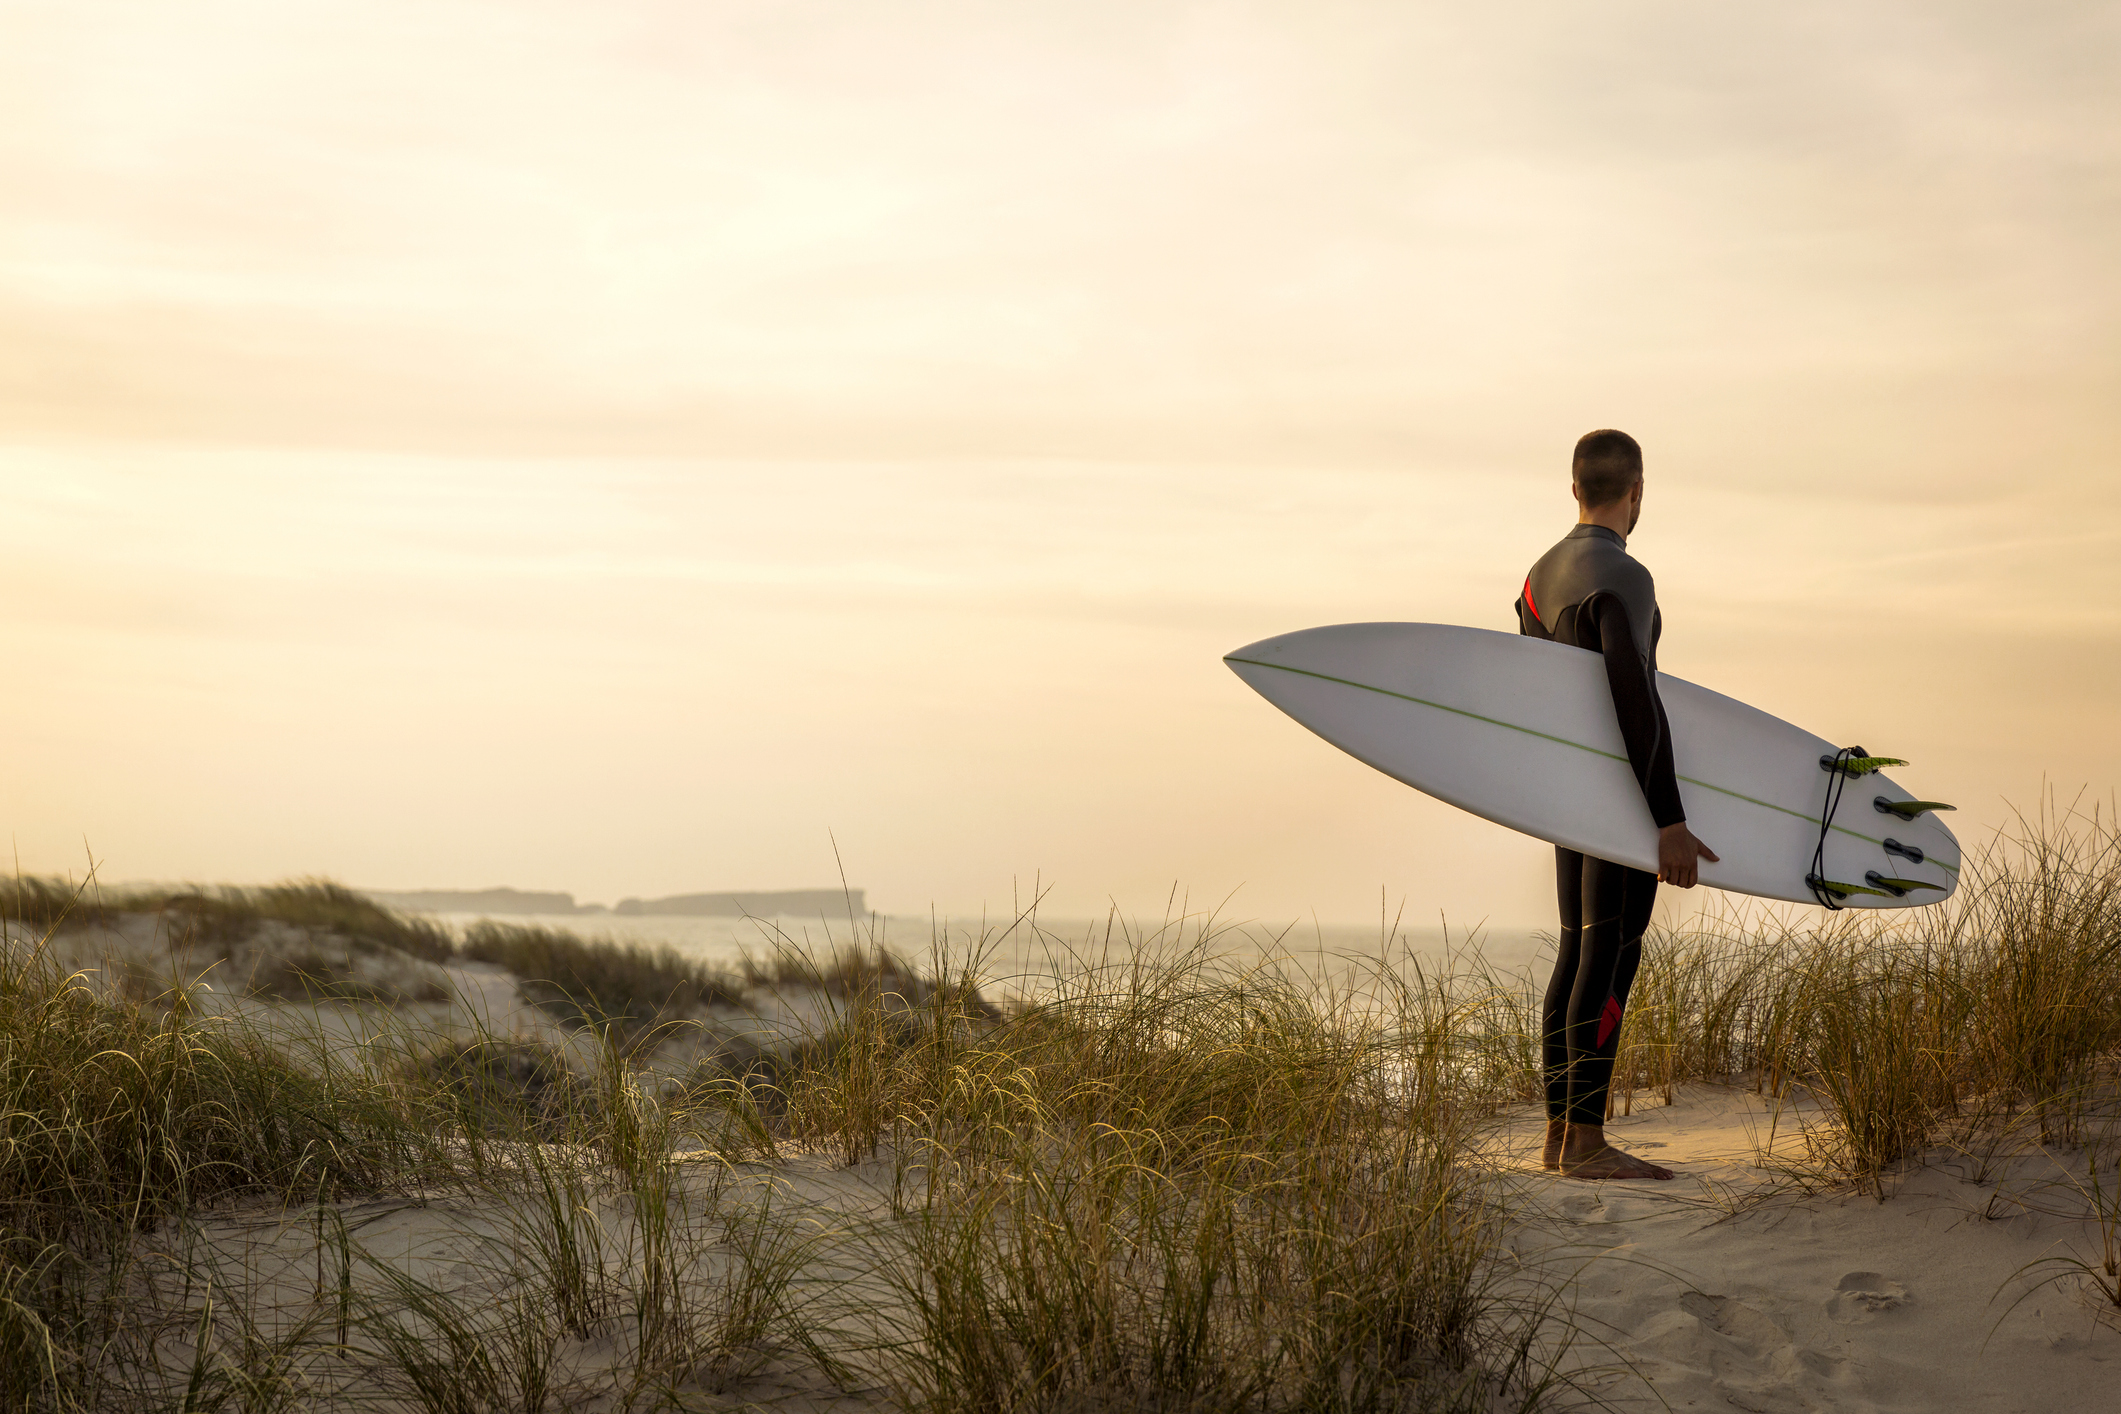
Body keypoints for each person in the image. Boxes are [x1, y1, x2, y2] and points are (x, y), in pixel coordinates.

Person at [1515, 429, 1718, 1181]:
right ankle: (1589, 1143)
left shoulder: (1539, 576)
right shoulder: (1623, 576)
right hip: (1621, 797)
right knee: (1613, 953)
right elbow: (1634, 696)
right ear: (1636, 492)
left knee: (1576, 950)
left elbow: (1535, 701)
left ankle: (1559, 1135)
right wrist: (1666, 819)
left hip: (1569, 798)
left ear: (1574, 489)